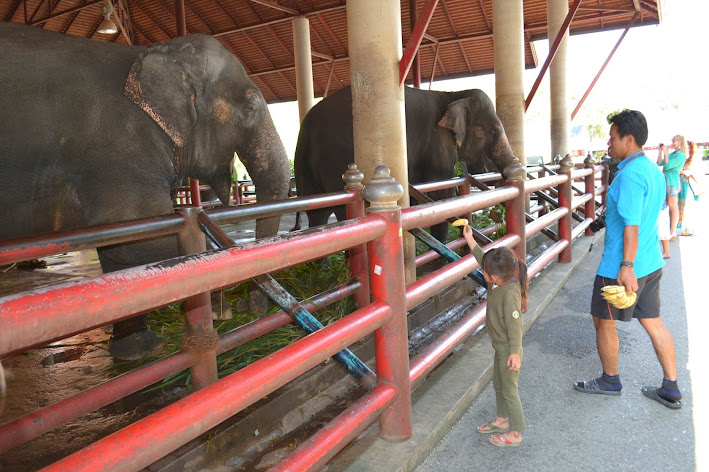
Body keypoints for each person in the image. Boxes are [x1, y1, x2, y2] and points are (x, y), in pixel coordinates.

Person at [574, 110, 682, 409]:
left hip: (622, 265)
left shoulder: (630, 175)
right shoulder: (652, 170)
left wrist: (626, 267)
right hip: (651, 262)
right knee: (653, 321)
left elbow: (631, 225)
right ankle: (671, 386)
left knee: (603, 321)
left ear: (629, 139)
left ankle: (610, 379)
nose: (609, 142)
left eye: (613, 136)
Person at [463, 224, 529, 447]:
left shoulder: (509, 294)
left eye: (485, 272)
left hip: (509, 349)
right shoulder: (498, 282)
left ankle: (516, 432)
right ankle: (502, 420)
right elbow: (483, 259)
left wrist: (514, 353)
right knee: (499, 385)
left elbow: (515, 327)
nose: (482, 272)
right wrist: (470, 240)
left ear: (495, 275)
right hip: (501, 347)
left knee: (510, 389)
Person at [656, 135, 687, 249]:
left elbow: (667, 166)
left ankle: (672, 231)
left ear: (680, 142)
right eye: (672, 141)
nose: (673, 143)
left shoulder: (681, 155)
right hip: (666, 182)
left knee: (673, 207)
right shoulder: (673, 154)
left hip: (673, 182)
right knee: (667, 207)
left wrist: (666, 153)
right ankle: (669, 230)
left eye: (675, 141)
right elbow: (659, 163)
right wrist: (660, 152)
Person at [678, 140, 697, 236]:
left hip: (688, 185)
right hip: (681, 185)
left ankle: (688, 228)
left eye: (689, 146)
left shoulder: (693, 159)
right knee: (680, 206)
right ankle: (683, 227)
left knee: (687, 206)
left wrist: (680, 171)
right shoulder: (682, 157)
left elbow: (691, 172)